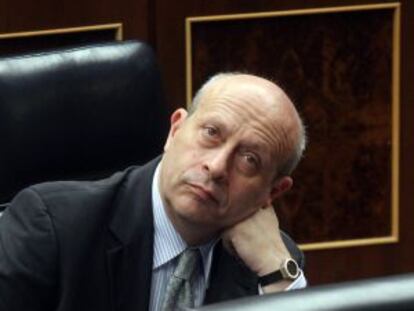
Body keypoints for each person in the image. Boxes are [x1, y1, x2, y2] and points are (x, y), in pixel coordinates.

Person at [0, 73, 307, 311]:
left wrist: (279, 273)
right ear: (175, 130)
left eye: (249, 160)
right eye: (211, 133)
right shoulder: (51, 228)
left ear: (274, 192)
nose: (216, 167)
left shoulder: (271, 265)